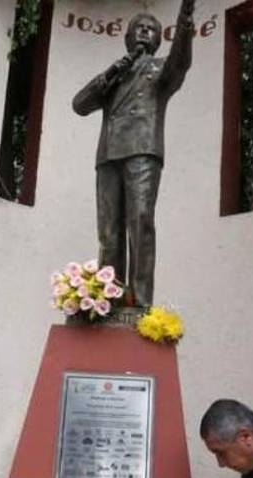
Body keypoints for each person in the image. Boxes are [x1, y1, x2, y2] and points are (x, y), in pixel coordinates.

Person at [72, 0, 195, 307]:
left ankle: (140, 303)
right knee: (109, 232)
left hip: (143, 151)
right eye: (138, 27)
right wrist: (113, 71)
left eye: (152, 28)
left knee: (140, 222)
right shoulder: (116, 75)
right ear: (127, 37)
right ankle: (108, 300)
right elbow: (79, 104)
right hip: (108, 157)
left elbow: (180, 61)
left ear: (158, 39)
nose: (144, 30)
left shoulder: (161, 69)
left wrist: (185, 17)